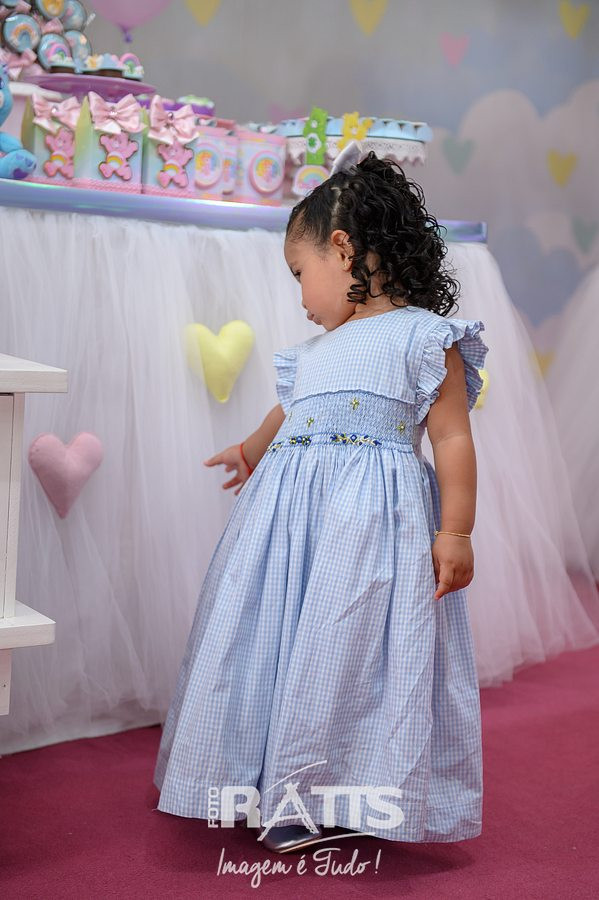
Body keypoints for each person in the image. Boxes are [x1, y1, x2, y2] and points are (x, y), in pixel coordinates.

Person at [152, 143, 490, 854]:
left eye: (299, 274)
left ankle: (332, 786)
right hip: (286, 531)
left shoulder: (425, 338)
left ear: (341, 250)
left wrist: (455, 531)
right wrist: (250, 448)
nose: (300, 297)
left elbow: (452, 438)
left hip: (370, 530)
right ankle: (259, 776)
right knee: (273, 643)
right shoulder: (312, 353)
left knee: (347, 654)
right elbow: (289, 412)